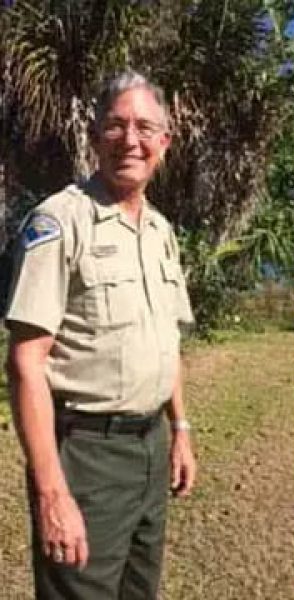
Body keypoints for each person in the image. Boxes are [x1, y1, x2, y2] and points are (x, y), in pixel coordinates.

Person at [4, 70, 196, 599]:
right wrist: (52, 493)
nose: (129, 140)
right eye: (114, 126)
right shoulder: (60, 222)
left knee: (140, 591)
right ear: (93, 137)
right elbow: (26, 361)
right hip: (87, 454)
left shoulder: (160, 232)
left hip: (151, 448)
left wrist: (180, 428)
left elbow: (169, 339)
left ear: (164, 141)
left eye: (143, 127)